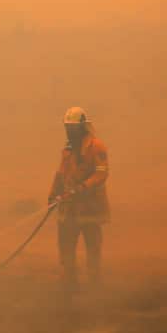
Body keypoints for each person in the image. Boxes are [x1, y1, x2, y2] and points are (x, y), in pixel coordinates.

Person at [48, 106, 110, 288]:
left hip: (91, 208)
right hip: (70, 208)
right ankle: (69, 282)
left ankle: (94, 285)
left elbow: (101, 174)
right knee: (66, 246)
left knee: (93, 248)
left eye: (73, 128)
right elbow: (61, 174)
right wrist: (53, 194)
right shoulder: (68, 149)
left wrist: (83, 187)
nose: (69, 131)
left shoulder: (97, 147)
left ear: (82, 127)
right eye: (67, 128)